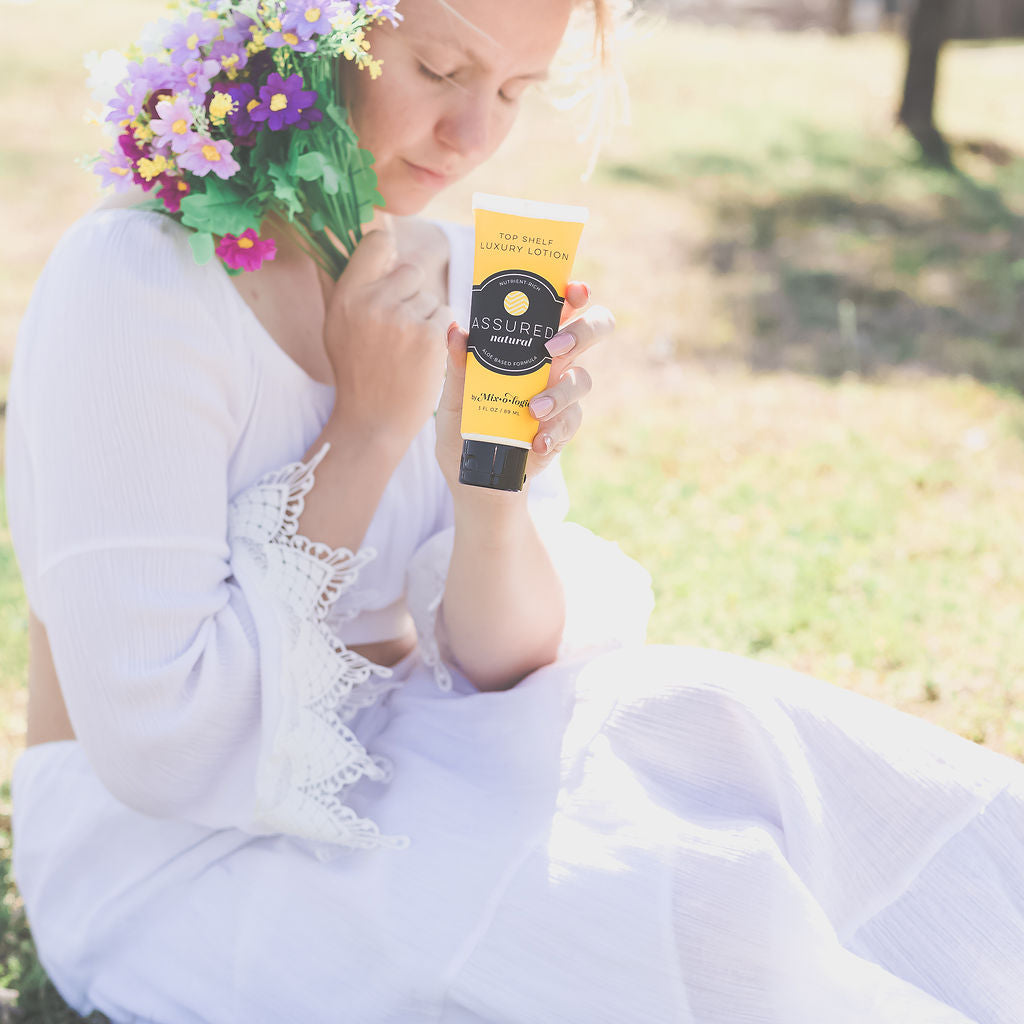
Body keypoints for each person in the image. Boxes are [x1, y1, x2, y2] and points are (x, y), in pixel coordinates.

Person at [5, 1, 1024, 1022]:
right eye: (441, 71)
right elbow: (164, 747)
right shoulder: (141, 279)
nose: (473, 135)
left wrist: (489, 488)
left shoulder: (458, 269)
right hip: (180, 855)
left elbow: (506, 667)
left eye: (512, 91)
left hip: (416, 750)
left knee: (746, 741)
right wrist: (366, 430)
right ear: (311, 33)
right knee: (685, 914)